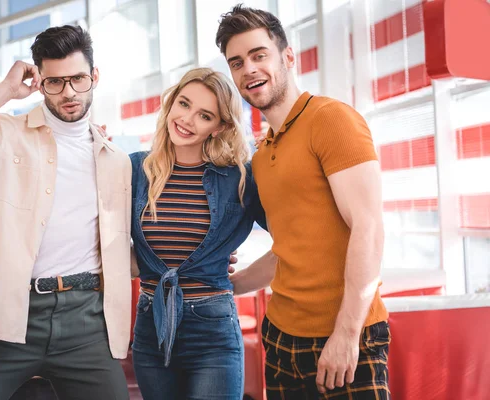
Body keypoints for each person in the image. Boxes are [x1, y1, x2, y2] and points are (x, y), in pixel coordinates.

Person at [0, 25, 131, 400]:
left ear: (94, 77)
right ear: (39, 81)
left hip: (85, 322)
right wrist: (3, 92)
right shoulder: (4, 134)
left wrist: (196, 261)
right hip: (6, 317)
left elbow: (121, 247)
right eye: (54, 82)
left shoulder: (116, 161)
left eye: (78, 79)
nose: (68, 93)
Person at [216, 6, 390, 400]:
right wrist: (229, 284)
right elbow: (290, 250)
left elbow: (370, 227)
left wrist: (346, 334)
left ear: (288, 57)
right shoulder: (261, 155)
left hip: (344, 337)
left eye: (260, 55)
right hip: (280, 340)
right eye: (237, 62)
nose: (249, 69)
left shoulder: (331, 120)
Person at [129, 67, 267, 400]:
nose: (187, 119)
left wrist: (230, 283)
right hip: (151, 326)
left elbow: (296, 242)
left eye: (204, 115)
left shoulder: (239, 179)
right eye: (184, 104)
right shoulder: (135, 169)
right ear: (170, 103)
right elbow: (119, 252)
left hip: (213, 331)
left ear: (219, 126)